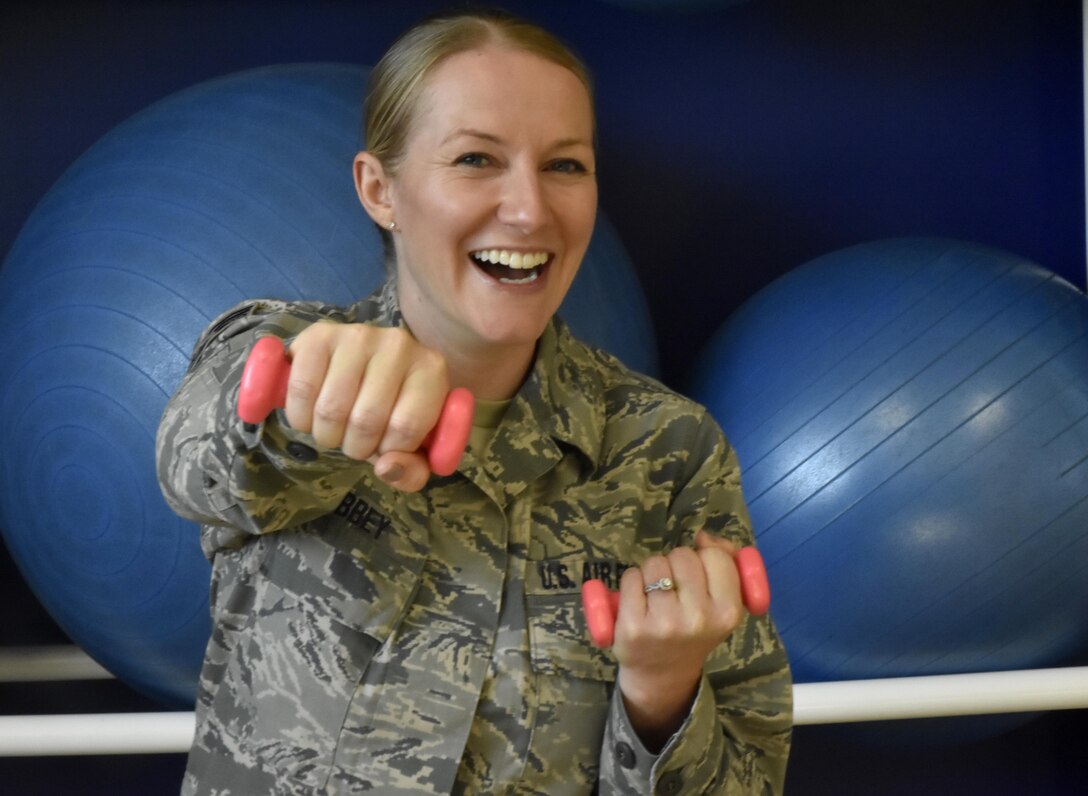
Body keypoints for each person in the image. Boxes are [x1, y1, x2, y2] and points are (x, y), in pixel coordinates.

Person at [157, 7, 792, 794]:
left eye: (565, 166)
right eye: (475, 159)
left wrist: (664, 699)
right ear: (379, 189)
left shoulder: (669, 447)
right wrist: (303, 415)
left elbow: (751, 778)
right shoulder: (288, 361)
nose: (529, 209)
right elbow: (200, 458)